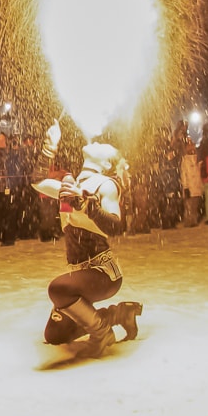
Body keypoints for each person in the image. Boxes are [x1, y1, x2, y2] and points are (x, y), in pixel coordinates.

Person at [33, 121, 142, 358]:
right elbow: (37, 181)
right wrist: (48, 148)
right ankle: (118, 314)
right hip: (78, 275)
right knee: (54, 335)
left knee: (57, 289)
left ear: (106, 164)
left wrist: (87, 206)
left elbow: (115, 226)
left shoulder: (107, 185)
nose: (98, 140)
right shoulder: (70, 185)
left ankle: (101, 332)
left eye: (104, 144)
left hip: (103, 274)